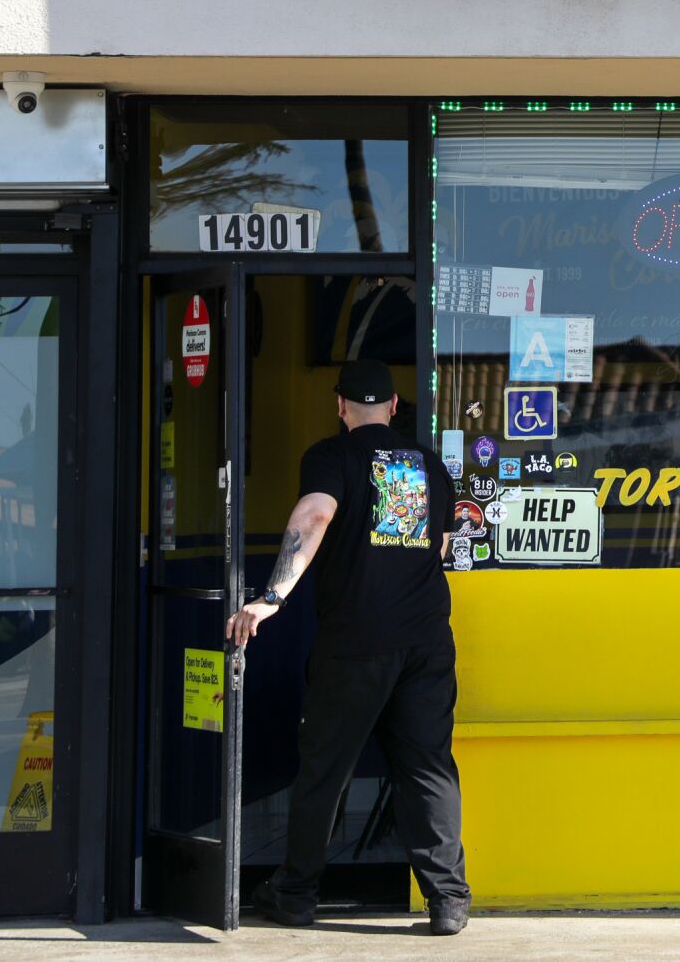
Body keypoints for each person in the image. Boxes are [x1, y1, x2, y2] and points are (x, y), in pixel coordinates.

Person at [226, 358, 471, 936]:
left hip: (356, 642)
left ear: (340, 407)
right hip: (427, 640)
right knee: (428, 766)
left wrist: (271, 597)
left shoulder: (331, 456)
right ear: (391, 407)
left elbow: (314, 515)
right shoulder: (431, 467)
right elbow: (437, 547)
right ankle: (448, 901)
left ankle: (296, 893)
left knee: (325, 770)